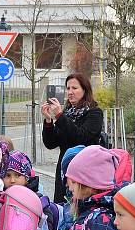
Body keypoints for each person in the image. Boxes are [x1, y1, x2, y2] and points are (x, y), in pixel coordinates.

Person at [42, 73, 104, 203]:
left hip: (85, 173)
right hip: (64, 171)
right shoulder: (66, 113)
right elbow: (50, 143)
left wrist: (59, 116)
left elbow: (81, 137)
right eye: (68, 88)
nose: (70, 92)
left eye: (74, 88)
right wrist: (48, 120)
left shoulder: (94, 113)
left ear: (84, 89)